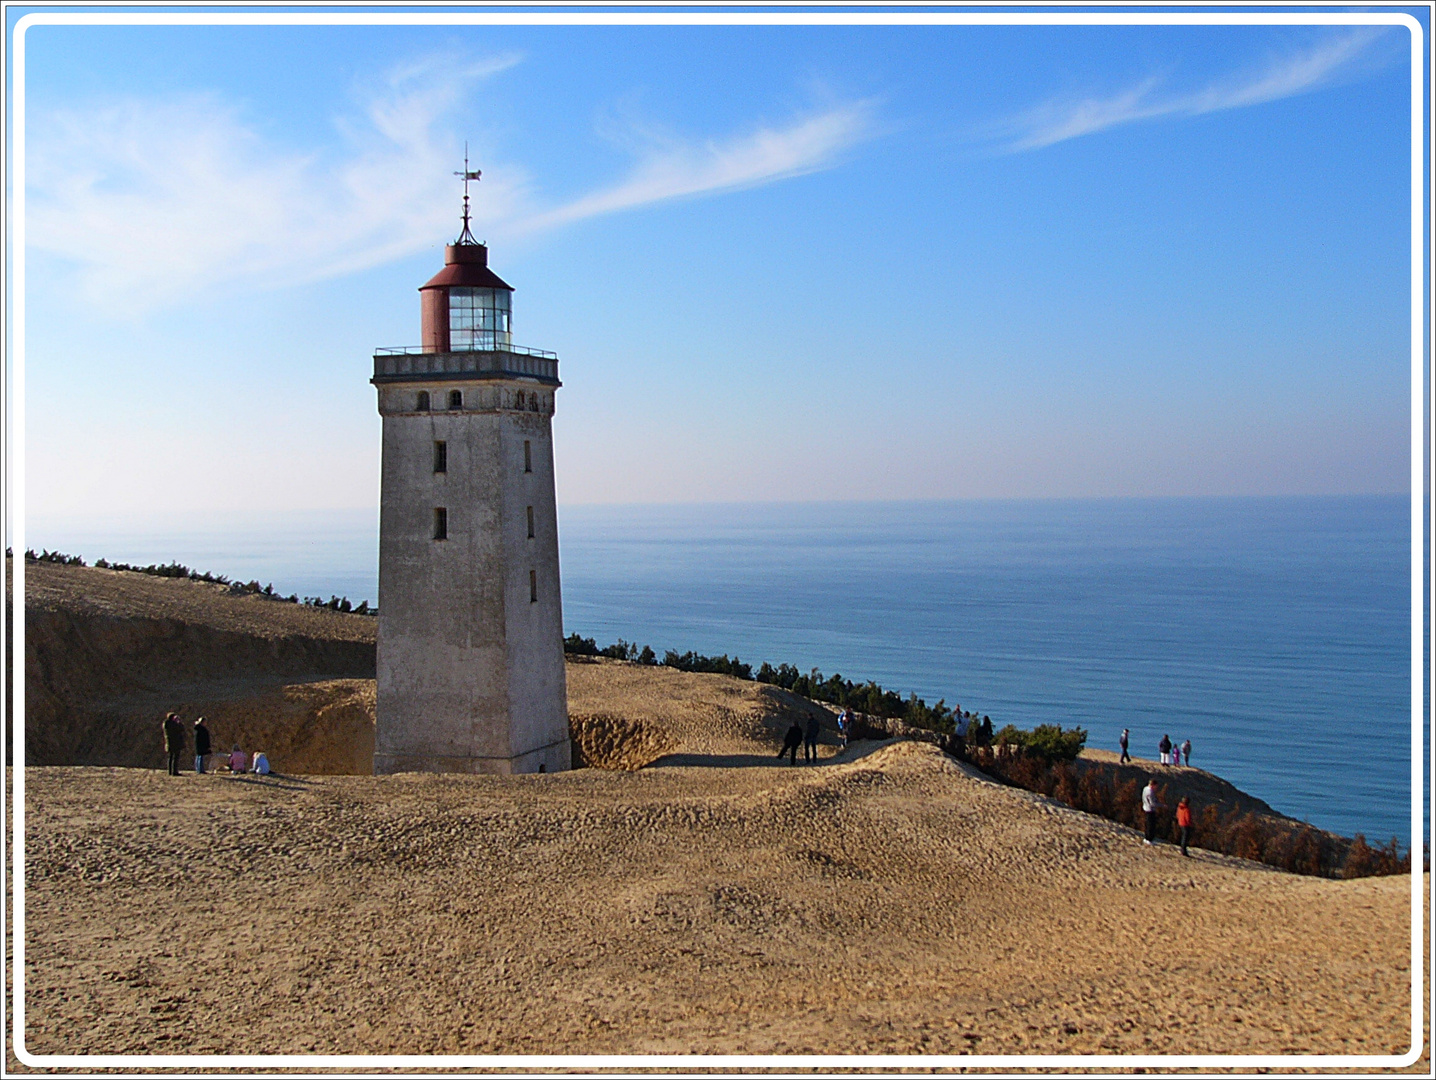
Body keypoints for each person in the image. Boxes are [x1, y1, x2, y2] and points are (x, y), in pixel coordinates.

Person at [1141, 778, 1161, 844]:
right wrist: (1161, 805)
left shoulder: (1145, 788)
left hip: (1145, 807)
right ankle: (1149, 839)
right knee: (1151, 825)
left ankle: (1146, 838)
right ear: (1153, 785)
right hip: (1150, 809)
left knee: (1147, 824)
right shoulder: (1150, 792)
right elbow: (1152, 803)